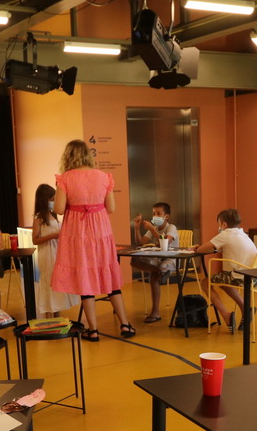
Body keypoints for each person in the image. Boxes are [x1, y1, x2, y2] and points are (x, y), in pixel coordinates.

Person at [52, 139, 136, 341]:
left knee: (85, 278)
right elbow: (111, 208)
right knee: (108, 273)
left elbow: (59, 209)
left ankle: (93, 329)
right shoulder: (103, 176)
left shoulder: (65, 178)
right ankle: (125, 324)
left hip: (78, 231)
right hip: (100, 230)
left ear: (68, 156)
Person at [195, 208, 257, 333]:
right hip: (255, 276)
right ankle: (245, 308)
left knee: (205, 283)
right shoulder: (242, 233)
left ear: (223, 224)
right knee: (223, 281)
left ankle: (226, 315)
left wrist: (198, 248)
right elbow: (224, 247)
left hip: (242, 277)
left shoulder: (225, 234)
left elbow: (201, 250)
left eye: (219, 224)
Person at [31, 183, 78, 318]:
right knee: (49, 282)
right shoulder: (39, 218)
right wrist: (52, 236)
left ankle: (57, 315)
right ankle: (48, 317)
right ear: (44, 200)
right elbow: (35, 240)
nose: (53, 202)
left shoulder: (53, 215)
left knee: (57, 281)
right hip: (47, 253)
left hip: (57, 252)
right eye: (51, 199)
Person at [131, 202, 179, 323]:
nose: (154, 216)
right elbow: (140, 242)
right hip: (157, 259)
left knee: (154, 277)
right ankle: (159, 271)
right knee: (134, 260)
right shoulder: (154, 228)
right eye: (153, 213)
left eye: (158, 213)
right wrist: (136, 228)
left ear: (166, 216)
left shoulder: (171, 227)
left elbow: (165, 244)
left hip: (171, 259)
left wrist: (152, 229)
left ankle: (155, 312)